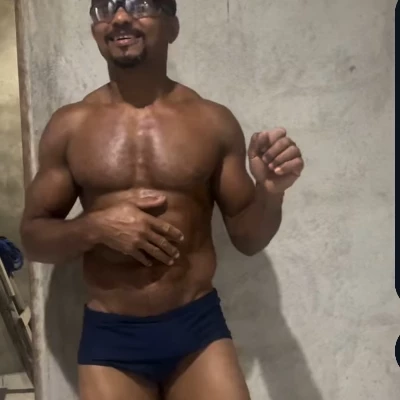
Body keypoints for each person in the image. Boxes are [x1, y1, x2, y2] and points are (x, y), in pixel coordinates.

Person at [20, 1, 304, 399]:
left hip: (197, 329)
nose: (120, 17)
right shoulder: (70, 125)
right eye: (105, 7)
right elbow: (33, 238)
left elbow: (248, 238)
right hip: (112, 336)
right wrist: (96, 227)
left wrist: (270, 193)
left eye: (139, 5)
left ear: (172, 26)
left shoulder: (213, 122)